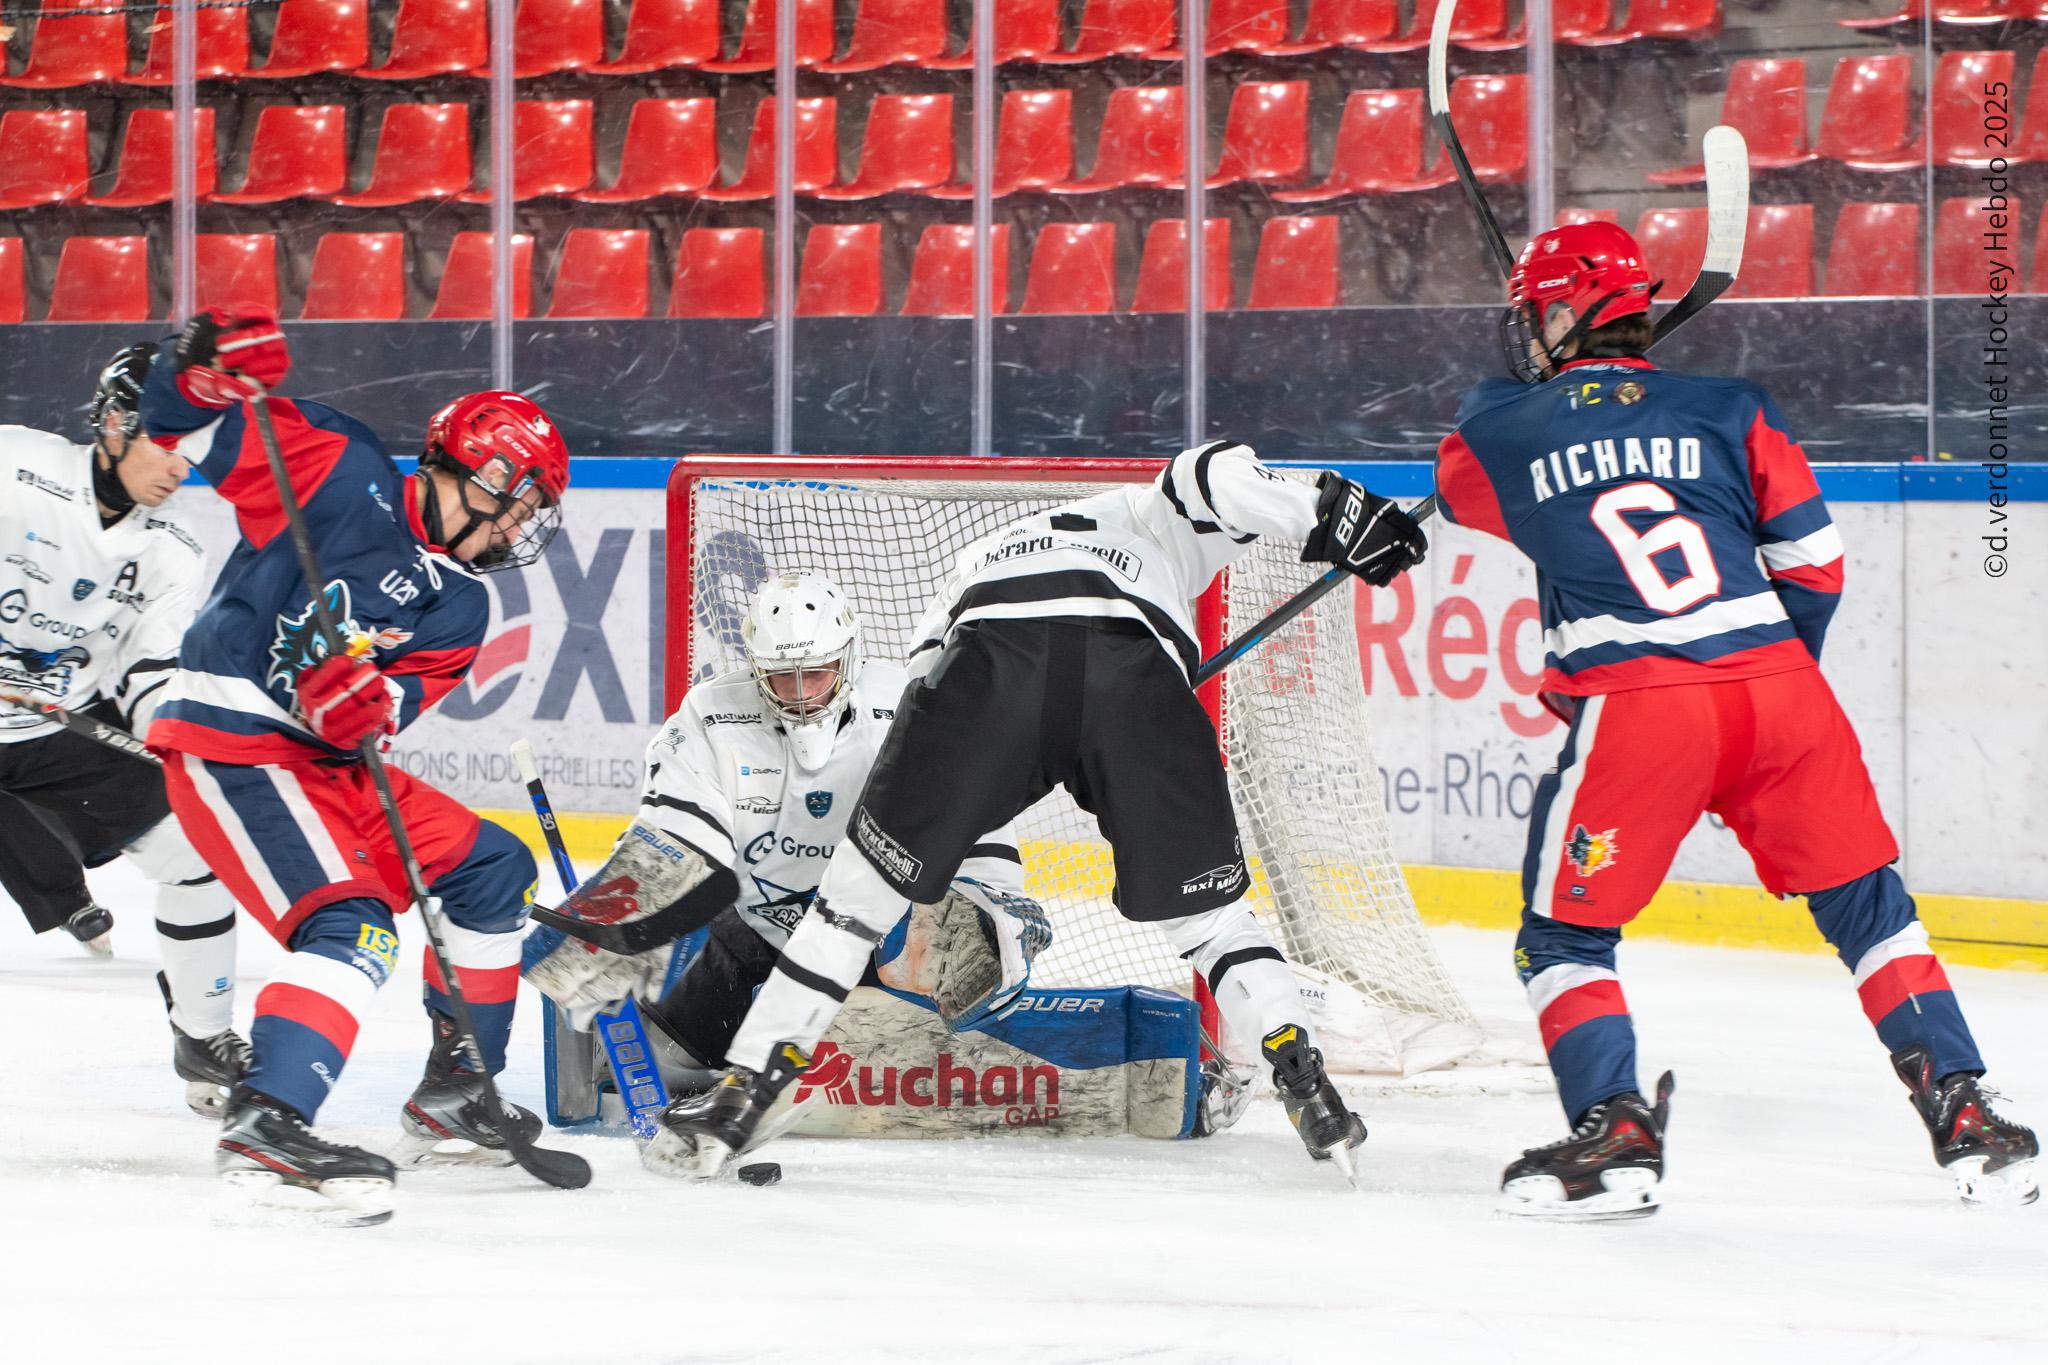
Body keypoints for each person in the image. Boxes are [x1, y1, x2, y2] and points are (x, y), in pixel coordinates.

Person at [578, 441, 1428, 1182]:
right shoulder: (1151, 516)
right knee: (1209, 921)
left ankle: (744, 1094)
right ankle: (1299, 1066)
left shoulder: (975, 567)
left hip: (987, 667)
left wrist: (963, 871)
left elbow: (932, 710)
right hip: (1133, 674)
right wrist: (1331, 515)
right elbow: (1216, 473)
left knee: (848, 908)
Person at [1434, 221, 2038, 1218]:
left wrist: (1534, 405)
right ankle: (1967, 1114)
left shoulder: (1505, 428)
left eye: (1533, 317)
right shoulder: (1729, 407)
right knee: (1869, 913)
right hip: (1779, 691)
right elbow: (1811, 564)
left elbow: (1459, 485)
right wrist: (1752, 701)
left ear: (1559, 315)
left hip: (1638, 709)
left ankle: (1614, 1132)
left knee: (1561, 941)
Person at [137, 306, 570, 1224]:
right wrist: (203, 371)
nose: (517, 530)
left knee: (495, 867)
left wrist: (355, 709)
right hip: (235, 740)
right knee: (354, 928)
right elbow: (182, 423)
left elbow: (379, 722)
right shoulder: (342, 467)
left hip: (322, 766)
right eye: (518, 504)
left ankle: (460, 1088)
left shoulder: (460, 610)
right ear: (473, 473)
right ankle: (270, 1118)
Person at [527, 571, 1054, 1163]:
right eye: (782, 676)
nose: (802, 692)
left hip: (884, 940)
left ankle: (887, 1055)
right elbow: (677, 829)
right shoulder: (710, 717)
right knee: (677, 1041)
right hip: (757, 927)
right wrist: (626, 911)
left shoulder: (910, 701)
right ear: (756, 667)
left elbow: (974, 809)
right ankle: (723, 1061)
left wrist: (994, 897)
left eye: (817, 673)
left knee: (947, 979)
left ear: (847, 660)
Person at [0, 343, 246, 1116]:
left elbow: (148, 673)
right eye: (169, 441)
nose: (181, 468)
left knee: (198, 848)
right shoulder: (14, 466)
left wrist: (176, 731)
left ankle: (203, 1036)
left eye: (193, 450)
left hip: (51, 725)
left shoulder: (173, 550)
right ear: (115, 423)